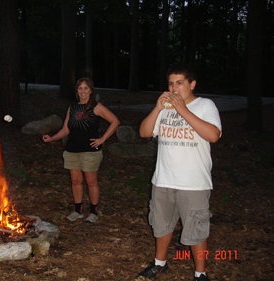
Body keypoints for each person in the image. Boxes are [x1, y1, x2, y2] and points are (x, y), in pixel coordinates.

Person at [137, 63, 222, 281]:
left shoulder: (205, 105)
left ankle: (200, 273)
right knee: (161, 225)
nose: (174, 88)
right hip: (164, 180)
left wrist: (182, 109)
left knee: (197, 230)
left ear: (192, 84)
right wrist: (157, 108)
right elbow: (145, 132)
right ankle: (159, 263)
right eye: (171, 84)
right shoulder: (164, 109)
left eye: (180, 83)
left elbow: (213, 135)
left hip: (194, 183)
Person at [42, 78, 120, 223]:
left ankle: (93, 212)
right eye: (80, 88)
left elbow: (115, 121)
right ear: (77, 91)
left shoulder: (96, 107)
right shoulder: (72, 108)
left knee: (91, 182)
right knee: (76, 181)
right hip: (72, 150)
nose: (83, 91)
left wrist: (102, 139)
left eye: (86, 88)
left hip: (90, 151)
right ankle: (78, 211)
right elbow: (66, 130)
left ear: (91, 90)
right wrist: (52, 138)